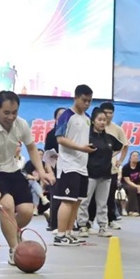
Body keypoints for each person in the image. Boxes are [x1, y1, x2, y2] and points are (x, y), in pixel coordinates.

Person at [0, 90, 53, 264]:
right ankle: (14, 249)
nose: (11, 117)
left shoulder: (21, 124)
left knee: (27, 211)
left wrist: (41, 171)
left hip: (12, 170)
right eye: (6, 113)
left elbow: (31, 148)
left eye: (14, 112)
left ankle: (13, 231)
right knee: (7, 204)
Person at [54, 84, 95, 246]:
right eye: (84, 100)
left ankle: (69, 232)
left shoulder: (87, 118)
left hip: (82, 166)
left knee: (77, 201)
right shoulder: (66, 115)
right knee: (67, 200)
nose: (87, 104)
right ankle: (60, 235)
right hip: (68, 165)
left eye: (89, 101)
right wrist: (80, 148)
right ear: (76, 98)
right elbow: (60, 138)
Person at [77, 108, 124, 238]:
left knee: (102, 203)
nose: (103, 122)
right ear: (93, 121)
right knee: (84, 202)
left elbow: (120, 146)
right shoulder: (87, 137)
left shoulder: (109, 138)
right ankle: (82, 225)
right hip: (90, 174)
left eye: (104, 120)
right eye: (100, 120)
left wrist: (112, 158)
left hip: (106, 175)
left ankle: (103, 227)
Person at [44, 107, 66, 230]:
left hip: (70, 168)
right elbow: (48, 155)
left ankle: (69, 224)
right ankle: (53, 224)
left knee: (68, 198)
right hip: (55, 168)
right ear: (55, 119)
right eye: (60, 116)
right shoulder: (51, 135)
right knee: (56, 197)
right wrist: (50, 172)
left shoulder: (71, 134)